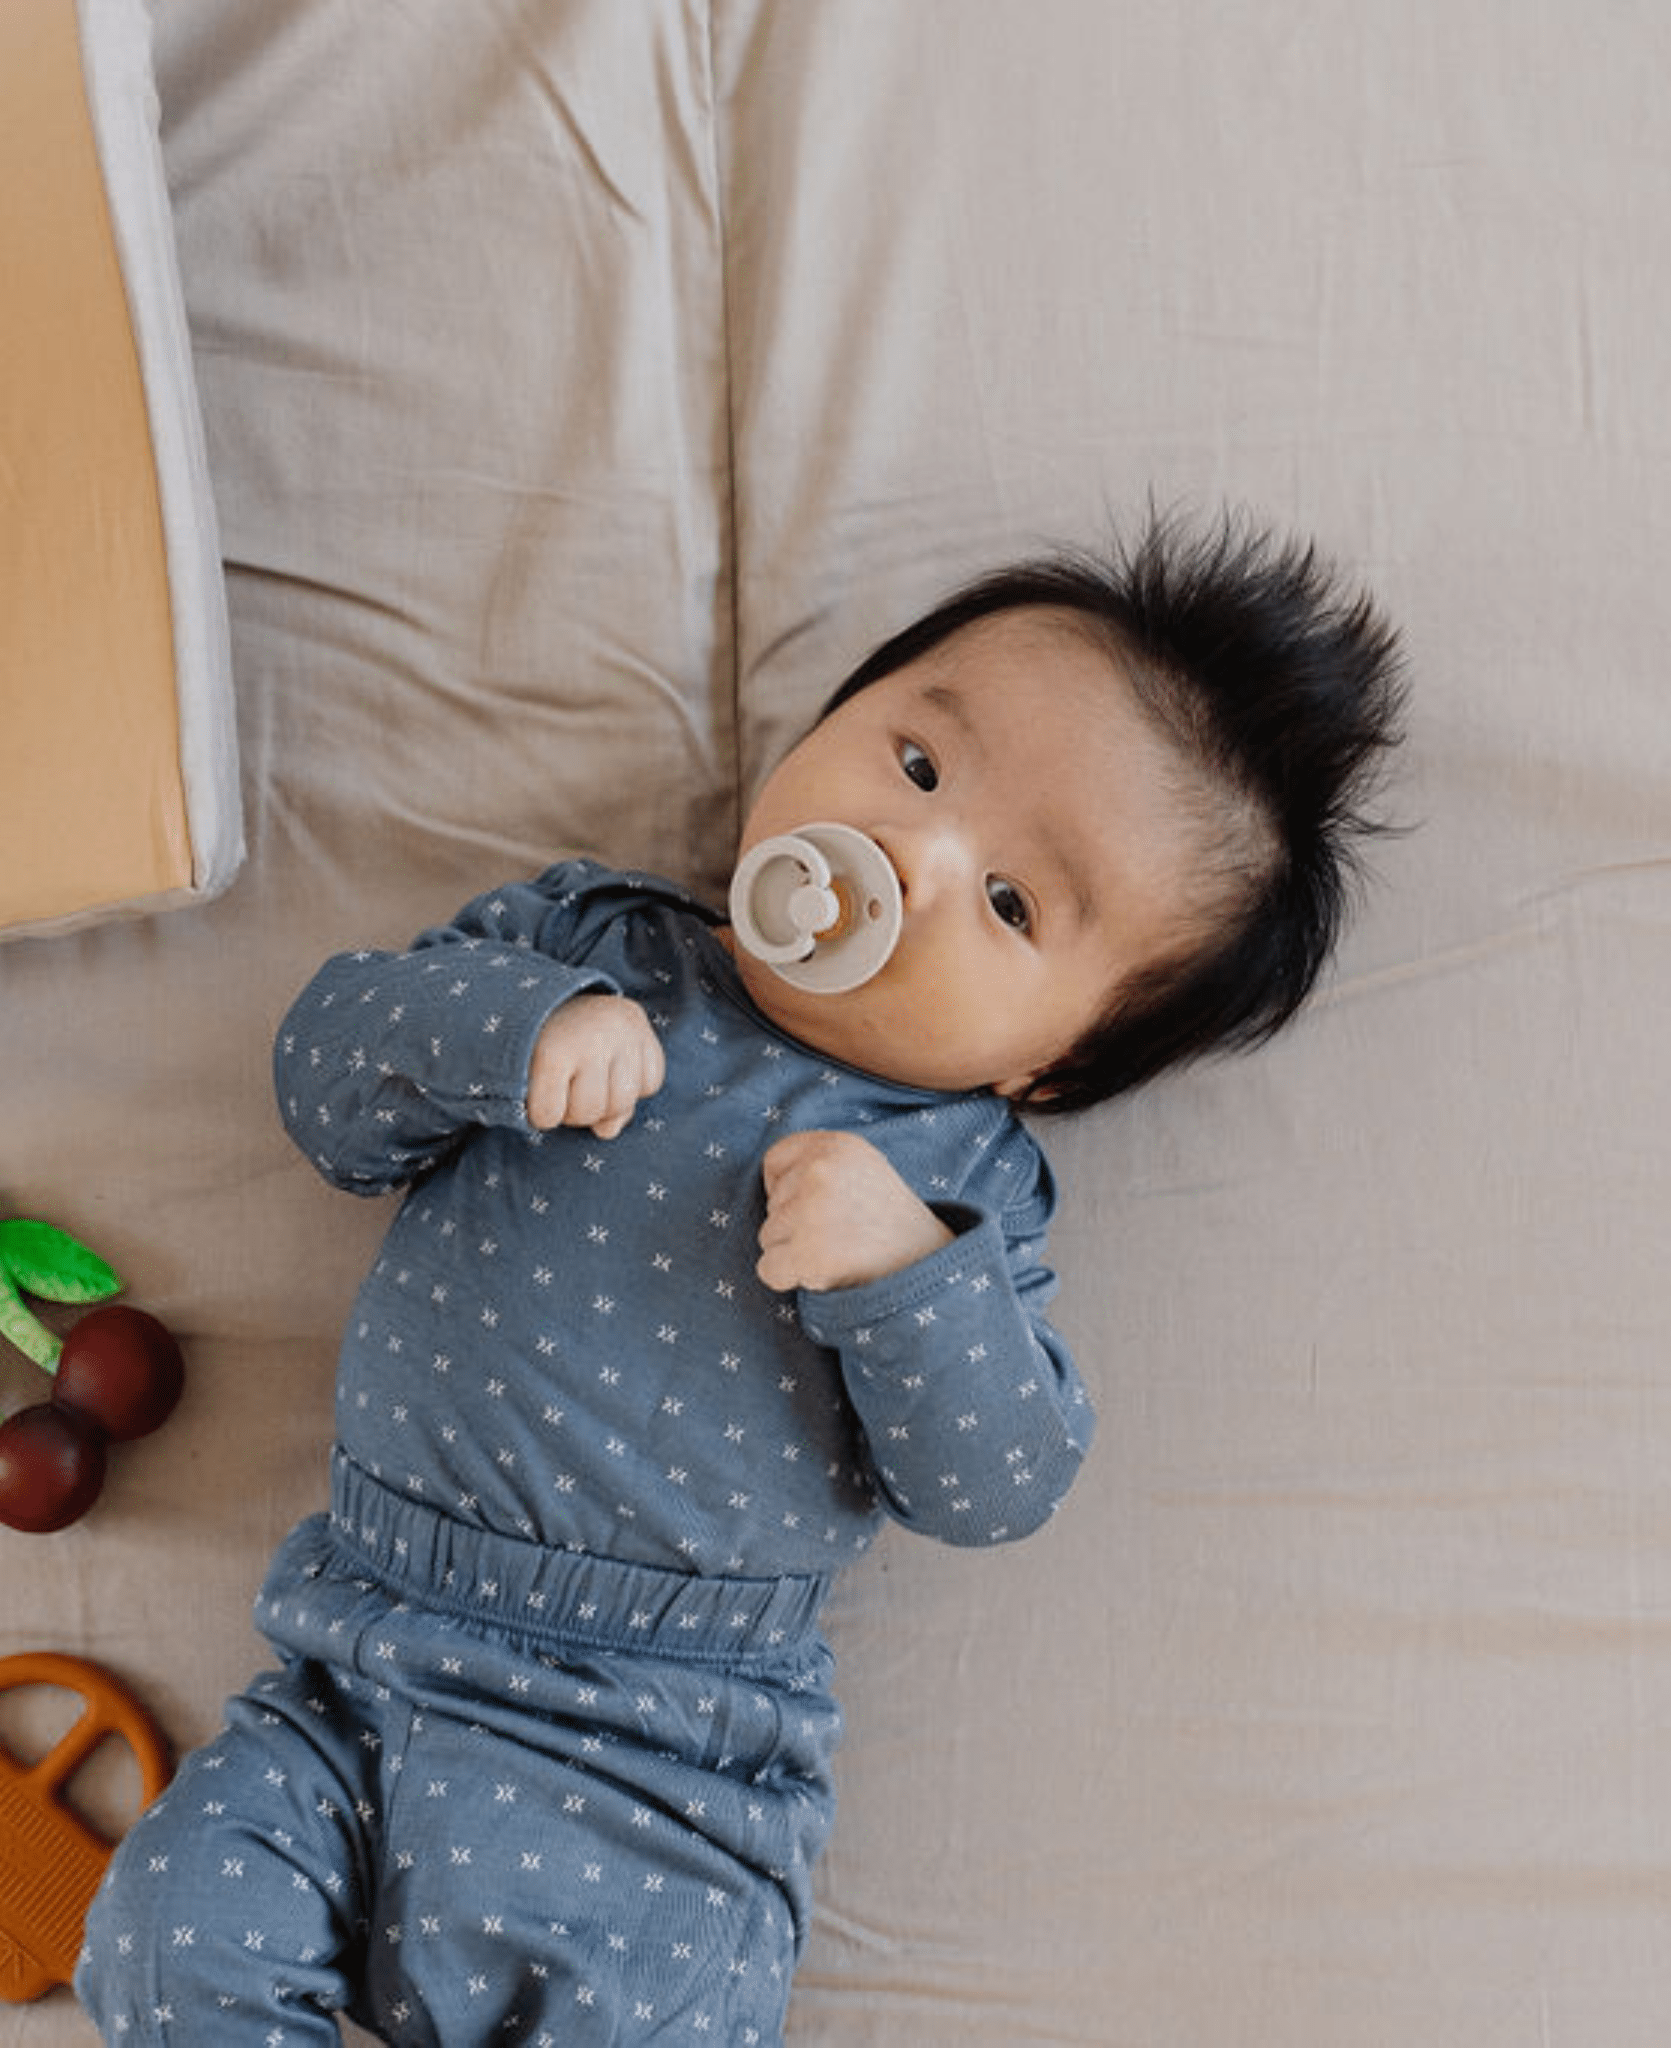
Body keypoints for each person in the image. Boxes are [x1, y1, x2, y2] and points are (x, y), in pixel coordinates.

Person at [77, 510, 1405, 2045]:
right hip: (357, 1678)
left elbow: (1000, 1482)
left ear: (1054, 1068)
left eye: (1013, 904)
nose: (914, 856)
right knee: (174, 1936)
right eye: (916, 764)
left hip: (660, 1775)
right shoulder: (591, 943)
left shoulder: (958, 1185)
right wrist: (504, 1035)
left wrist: (907, 1276)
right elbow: (325, 1083)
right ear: (828, 724)